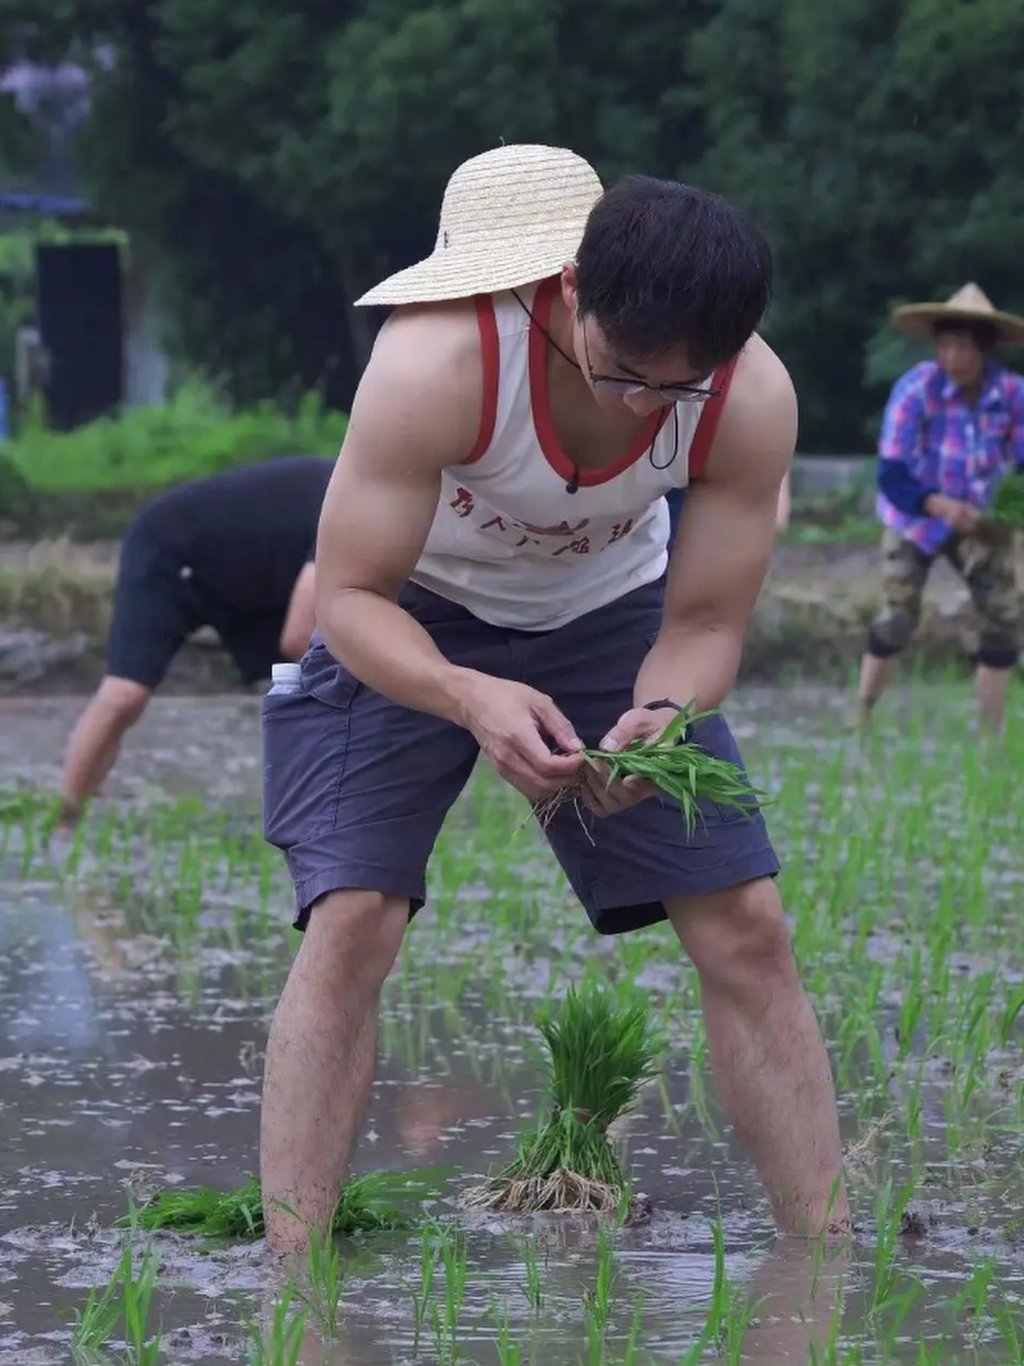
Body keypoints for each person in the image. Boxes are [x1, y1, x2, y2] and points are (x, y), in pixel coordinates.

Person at [259, 144, 849, 1252]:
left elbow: (707, 620)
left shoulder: (749, 397)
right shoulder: (439, 362)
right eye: (624, 370)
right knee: (353, 919)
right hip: (411, 612)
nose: (647, 407)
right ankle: (295, 1281)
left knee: (746, 925)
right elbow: (345, 596)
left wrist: (662, 719)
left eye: (682, 385)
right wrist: (466, 693)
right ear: (569, 292)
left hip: (610, 613)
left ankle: (826, 1257)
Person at [58, 455, 333, 822]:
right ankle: (62, 822)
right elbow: (300, 638)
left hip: (252, 582)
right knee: (125, 695)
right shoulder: (354, 505)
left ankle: (314, 818)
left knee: (311, 693)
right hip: (171, 551)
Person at [855, 284, 1024, 732]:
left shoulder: (1011, 395)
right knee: (895, 615)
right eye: (947, 345)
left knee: (1004, 617)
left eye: (965, 347)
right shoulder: (916, 389)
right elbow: (891, 472)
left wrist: (999, 515)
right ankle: (862, 716)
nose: (954, 356)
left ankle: (990, 734)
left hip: (982, 520)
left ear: (984, 350)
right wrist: (938, 505)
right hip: (915, 517)